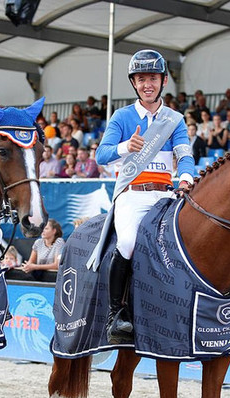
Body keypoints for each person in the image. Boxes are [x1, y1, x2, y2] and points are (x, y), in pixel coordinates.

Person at [95, 49, 195, 342]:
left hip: (165, 195)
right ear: (134, 83)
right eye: (141, 79)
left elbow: (184, 154)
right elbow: (102, 154)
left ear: (163, 81)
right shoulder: (122, 116)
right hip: (132, 194)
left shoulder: (174, 119)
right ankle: (116, 313)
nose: (147, 84)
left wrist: (186, 177)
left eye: (152, 78)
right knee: (127, 241)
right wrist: (127, 146)